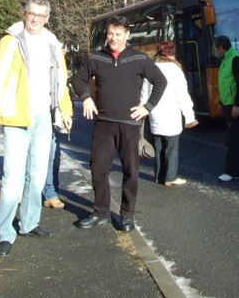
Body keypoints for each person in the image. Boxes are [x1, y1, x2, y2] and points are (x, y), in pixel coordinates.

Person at [0, 0, 73, 258]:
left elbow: (61, 81)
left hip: (44, 117)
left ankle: (30, 222)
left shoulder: (52, 44)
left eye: (41, 15)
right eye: (32, 14)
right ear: (25, 13)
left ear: (47, 18)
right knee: (12, 177)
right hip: (16, 116)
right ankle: (5, 234)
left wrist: (65, 110)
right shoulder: (10, 42)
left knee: (36, 176)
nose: (35, 19)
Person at [70, 15, 167, 232]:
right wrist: (85, 96)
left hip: (129, 125)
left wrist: (147, 107)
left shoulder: (138, 59)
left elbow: (160, 81)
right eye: (110, 33)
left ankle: (127, 215)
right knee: (98, 169)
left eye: (118, 34)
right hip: (104, 123)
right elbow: (77, 79)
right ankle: (100, 212)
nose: (113, 38)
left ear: (127, 35)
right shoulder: (97, 58)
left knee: (130, 171)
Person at [140, 41, 198, 186]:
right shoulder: (175, 70)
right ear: (172, 53)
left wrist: (144, 109)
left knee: (158, 147)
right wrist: (189, 117)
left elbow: (144, 93)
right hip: (171, 114)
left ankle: (159, 176)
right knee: (171, 148)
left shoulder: (151, 69)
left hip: (155, 114)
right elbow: (182, 96)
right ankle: (170, 177)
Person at [41, 45, 73, 210]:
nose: (63, 52)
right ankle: (44, 192)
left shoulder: (60, 64)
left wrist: (67, 112)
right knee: (38, 156)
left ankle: (51, 192)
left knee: (53, 156)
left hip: (54, 115)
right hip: (35, 113)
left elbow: (63, 89)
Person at [214, 35, 239, 182]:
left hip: (235, 104)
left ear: (222, 48)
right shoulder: (226, 60)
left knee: (232, 138)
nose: (216, 52)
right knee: (237, 136)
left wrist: (236, 105)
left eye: (216, 49)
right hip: (228, 103)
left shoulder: (235, 59)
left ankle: (231, 171)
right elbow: (226, 84)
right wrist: (222, 103)